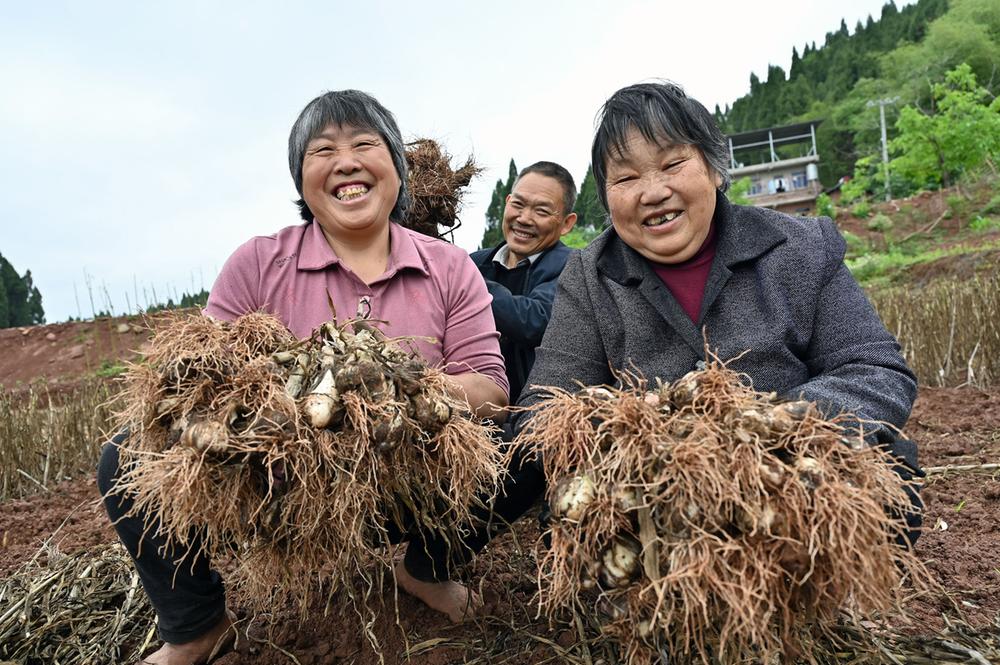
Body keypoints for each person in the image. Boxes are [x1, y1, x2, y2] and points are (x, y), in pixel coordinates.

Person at [97, 89, 509, 665]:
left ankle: (423, 569)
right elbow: (199, 380)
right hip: (286, 481)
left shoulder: (449, 266)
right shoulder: (259, 261)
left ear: (397, 165)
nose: (346, 161)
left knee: (521, 443)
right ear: (300, 179)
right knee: (127, 457)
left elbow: (490, 385)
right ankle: (195, 626)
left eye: (366, 144)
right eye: (323, 150)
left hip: (410, 471)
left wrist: (392, 385)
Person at [513, 81, 922, 542]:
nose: (652, 192)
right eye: (626, 178)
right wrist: (636, 430)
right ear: (608, 197)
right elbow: (542, 409)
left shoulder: (801, 247)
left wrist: (761, 429)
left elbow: (875, 369)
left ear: (714, 169)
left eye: (672, 164)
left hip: (786, 481)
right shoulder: (589, 275)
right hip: (655, 498)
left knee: (892, 478)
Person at [471, 161, 578, 404]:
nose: (524, 218)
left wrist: (465, 281)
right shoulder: (475, 262)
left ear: (567, 223)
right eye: (518, 204)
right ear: (507, 202)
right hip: (471, 410)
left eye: (541, 211)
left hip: (535, 416)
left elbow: (536, 320)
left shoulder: (574, 266)